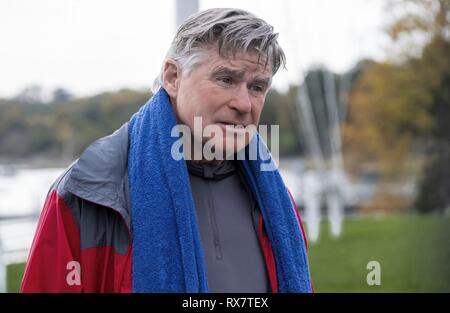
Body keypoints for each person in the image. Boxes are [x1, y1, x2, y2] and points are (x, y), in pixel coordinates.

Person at [21, 8, 312, 293]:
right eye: (226, 80)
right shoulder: (87, 191)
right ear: (173, 77)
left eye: (257, 87)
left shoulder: (274, 197)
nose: (244, 104)